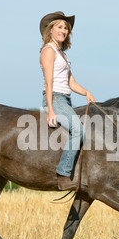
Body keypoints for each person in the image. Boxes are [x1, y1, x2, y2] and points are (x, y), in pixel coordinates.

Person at [39, 11, 95, 190]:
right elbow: (48, 82)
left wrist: (86, 92)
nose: (63, 31)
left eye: (66, 28)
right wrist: (51, 110)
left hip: (66, 100)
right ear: (51, 30)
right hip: (55, 99)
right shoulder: (49, 50)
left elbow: (71, 82)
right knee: (79, 130)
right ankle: (63, 174)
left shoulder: (62, 54)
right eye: (60, 27)